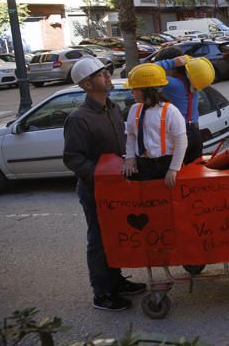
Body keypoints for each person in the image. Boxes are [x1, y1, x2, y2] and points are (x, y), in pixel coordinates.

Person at [63, 57, 146, 311]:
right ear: (87, 84)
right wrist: (102, 174)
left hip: (116, 188)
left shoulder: (113, 108)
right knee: (99, 240)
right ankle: (102, 294)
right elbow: (73, 159)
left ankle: (116, 281)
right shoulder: (79, 118)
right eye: (101, 74)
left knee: (114, 236)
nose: (108, 76)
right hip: (95, 190)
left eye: (107, 72)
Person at [120, 63, 188, 188]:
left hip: (165, 163)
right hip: (144, 164)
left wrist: (173, 169)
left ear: (147, 91)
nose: (132, 93)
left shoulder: (170, 111)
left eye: (134, 89)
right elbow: (131, 136)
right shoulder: (134, 110)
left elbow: (181, 142)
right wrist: (130, 157)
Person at [153, 46, 208, 164]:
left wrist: (172, 62)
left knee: (178, 172)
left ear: (173, 67)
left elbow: (149, 70)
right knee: (195, 170)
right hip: (195, 131)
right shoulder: (193, 80)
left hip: (179, 133)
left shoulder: (171, 84)